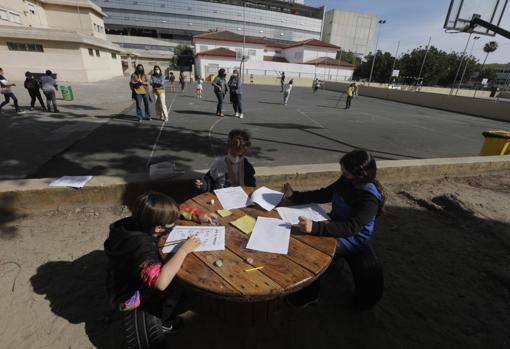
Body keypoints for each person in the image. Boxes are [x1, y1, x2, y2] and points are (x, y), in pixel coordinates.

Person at [282, 150, 385, 307]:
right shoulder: (347, 180)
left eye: (345, 171)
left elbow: (351, 227)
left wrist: (315, 227)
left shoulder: (369, 198)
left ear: (359, 174)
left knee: (311, 251)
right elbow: (325, 194)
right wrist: (295, 195)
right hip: (334, 223)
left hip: (352, 238)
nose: (342, 173)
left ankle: (309, 295)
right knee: (300, 237)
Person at [104, 192, 216, 328]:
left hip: (119, 274)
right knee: (182, 284)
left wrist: (198, 215)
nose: (174, 223)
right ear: (158, 228)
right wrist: (183, 250)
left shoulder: (137, 220)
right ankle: (166, 321)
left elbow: (174, 212)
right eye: (171, 223)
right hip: (128, 295)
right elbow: (161, 283)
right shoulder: (141, 247)